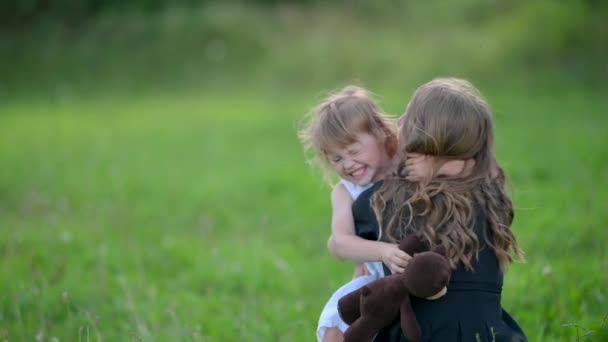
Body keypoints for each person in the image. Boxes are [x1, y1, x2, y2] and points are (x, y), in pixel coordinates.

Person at [298, 85, 468, 342]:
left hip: (425, 269)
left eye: (354, 151)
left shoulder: (405, 164)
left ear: (381, 133)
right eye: (336, 159)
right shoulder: (344, 193)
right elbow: (341, 242)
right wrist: (381, 252)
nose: (347, 164)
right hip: (378, 277)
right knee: (336, 327)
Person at [370, 78, 527, 341]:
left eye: (407, 118)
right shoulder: (491, 196)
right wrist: (444, 165)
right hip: (488, 334)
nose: (399, 124)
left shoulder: (392, 199)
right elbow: (483, 167)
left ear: (423, 136)